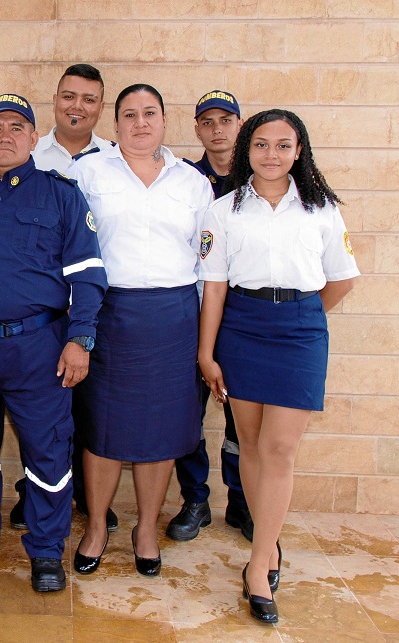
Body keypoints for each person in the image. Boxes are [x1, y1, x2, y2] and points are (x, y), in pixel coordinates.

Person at [0, 93, 107, 593]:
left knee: (48, 453)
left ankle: (47, 552)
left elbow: (89, 274)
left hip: (38, 347)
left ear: (34, 138)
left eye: (17, 127)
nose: (5, 135)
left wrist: (80, 340)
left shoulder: (61, 195)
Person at [198, 109, 359, 623]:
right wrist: (207, 352)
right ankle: (265, 549)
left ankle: (260, 560)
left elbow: (341, 280)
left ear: (299, 150)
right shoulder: (224, 210)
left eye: (283, 145)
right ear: (247, 149)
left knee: (281, 447)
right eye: (262, 144)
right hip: (241, 329)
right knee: (249, 443)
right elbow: (215, 286)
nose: (272, 154)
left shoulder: (322, 209)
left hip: (300, 331)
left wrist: (297, 314)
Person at [68, 84, 211, 577]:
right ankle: (95, 527)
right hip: (109, 313)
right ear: (115, 124)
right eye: (130, 114)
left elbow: (209, 261)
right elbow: (70, 247)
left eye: (150, 113)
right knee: (102, 428)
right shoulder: (86, 172)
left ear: (165, 121)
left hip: (173, 317)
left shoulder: (192, 182)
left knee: (162, 430)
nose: (141, 123)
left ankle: (146, 527)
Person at [19, 63, 118, 534]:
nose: (77, 106)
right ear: (54, 100)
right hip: (38, 313)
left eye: (89, 99)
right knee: (38, 414)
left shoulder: (119, 161)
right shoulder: (27, 155)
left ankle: (90, 496)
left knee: (92, 406)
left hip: (93, 306)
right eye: (69, 96)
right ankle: (33, 493)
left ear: (101, 107)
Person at [167, 89, 253, 543]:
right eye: (208, 122)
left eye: (226, 120)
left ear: (240, 124)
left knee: (244, 418)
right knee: (187, 415)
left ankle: (241, 502)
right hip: (192, 314)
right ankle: (195, 500)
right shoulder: (183, 179)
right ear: (197, 128)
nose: (217, 129)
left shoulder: (260, 178)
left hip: (242, 318)